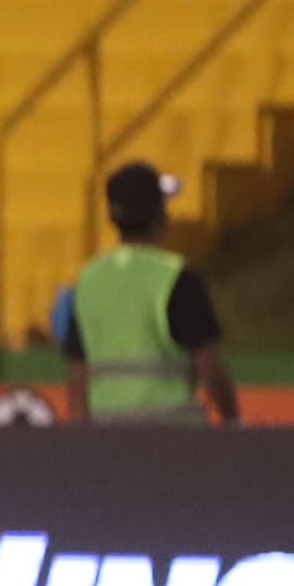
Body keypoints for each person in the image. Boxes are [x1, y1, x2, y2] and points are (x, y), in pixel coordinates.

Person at [57, 164, 238, 426]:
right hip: (173, 433)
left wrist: (82, 438)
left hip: (106, 434)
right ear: (158, 215)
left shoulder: (87, 280)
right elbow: (209, 365)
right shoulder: (176, 276)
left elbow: (78, 378)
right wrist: (232, 419)